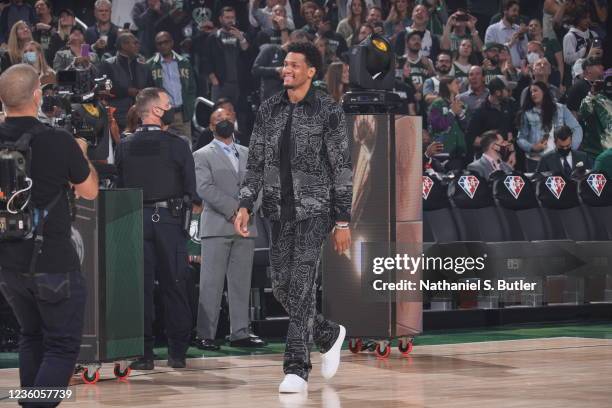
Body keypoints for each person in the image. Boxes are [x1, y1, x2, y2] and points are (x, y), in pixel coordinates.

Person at [234, 42, 351, 393]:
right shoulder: (269, 109)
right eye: (284, 64)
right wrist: (244, 204)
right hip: (276, 210)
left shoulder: (328, 110)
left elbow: (342, 168)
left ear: (311, 71)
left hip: (316, 209)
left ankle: (297, 368)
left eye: (293, 65)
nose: (286, 70)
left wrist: (343, 220)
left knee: (300, 284)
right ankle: (328, 332)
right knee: (283, 286)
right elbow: (254, 163)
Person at [0, 64, 98, 406]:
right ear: (37, 96)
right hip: (53, 260)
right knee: (61, 345)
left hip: (8, 263)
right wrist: (82, 151)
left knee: (32, 335)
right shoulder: (58, 139)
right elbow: (89, 191)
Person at [116, 87, 197, 370]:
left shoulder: (124, 145)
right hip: (169, 221)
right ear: (156, 110)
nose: (172, 106)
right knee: (175, 286)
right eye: (167, 103)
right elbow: (191, 190)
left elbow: (119, 185)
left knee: (140, 289)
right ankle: (177, 353)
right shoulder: (177, 144)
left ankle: (143, 355)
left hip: (136, 221)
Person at [193, 108, 267, 351]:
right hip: (217, 226)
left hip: (245, 227)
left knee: (240, 283)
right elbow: (205, 189)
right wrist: (236, 211)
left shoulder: (249, 153)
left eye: (227, 117)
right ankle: (206, 334)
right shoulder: (201, 155)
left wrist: (247, 211)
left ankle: (240, 332)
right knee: (211, 284)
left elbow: (259, 186)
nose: (223, 121)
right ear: (211, 126)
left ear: (234, 122)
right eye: (217, 119)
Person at [517, 81, 582, 171]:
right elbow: (520, 138)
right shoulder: (527, 113)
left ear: (544, 91)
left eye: (535, 90)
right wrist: (532, 147)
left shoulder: (560, 109)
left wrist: (569, 147)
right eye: (531, 92)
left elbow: (576, 129)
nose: (533, 94)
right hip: (535, 160)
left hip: (557, 158)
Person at [148, 31, 197, 145]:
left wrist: (189, 108)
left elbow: (192, 88)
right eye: (159, 43)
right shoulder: (150, 65)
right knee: (165, 149)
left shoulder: (184, 62)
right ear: (156, 46)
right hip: (163, 115)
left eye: (166, 42)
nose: (163, 45)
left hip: (182, 113)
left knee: (186, 148)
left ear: (172, 43)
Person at [100, 32, 154, 130]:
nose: (138, 45)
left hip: (142, 117)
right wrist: (127, 91)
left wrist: (144, 93)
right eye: (135, 43)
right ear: (124, 45)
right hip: (118, 117)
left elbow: (151, 87)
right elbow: (106, 88)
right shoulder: (108, 65)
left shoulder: (144, 66)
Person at [202, 7, 250, 105]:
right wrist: (213, 79)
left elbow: (248, 54)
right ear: (221, 19)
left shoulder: (242, 36)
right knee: (218, 113)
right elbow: (206, 59)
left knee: (238, 115)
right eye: (227, 17)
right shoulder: (214, 37)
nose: (230, 20)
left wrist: (241, 38)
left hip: (238, 84)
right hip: (220, 84)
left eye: (232, 17)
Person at [466, 77, 517, 161]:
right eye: (507, 90)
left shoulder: (510, 105)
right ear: (497, 93)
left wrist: (511, 152)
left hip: (507, 157)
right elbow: (471, 138)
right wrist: (493, 144)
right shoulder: (480, 110)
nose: (510, 92)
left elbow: (511, 133)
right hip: (487, 159)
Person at [427, 76, 468, 164]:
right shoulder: (437, 104)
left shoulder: (461, 105)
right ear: (448, 86)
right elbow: (438, 126)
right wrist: (452, 112)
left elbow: (467, 128)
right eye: (456, 83)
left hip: (460, 152)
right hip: (443, 152)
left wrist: (460, 114)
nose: (459, 86)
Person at [578, 67, 612, 161]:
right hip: (597, 153)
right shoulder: (595, 99)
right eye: (608, 81)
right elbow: (583, 112)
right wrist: (592, 93)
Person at [485, 0, 528, 68]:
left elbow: (525, 54)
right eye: (514, 10)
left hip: (519, 72)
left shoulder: (519, 30)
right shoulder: (492, 29)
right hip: (500, 70)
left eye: (517, 11)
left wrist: (522, 38)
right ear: (505, 10)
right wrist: (510, 43)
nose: (516, 14)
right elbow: (490, 53)